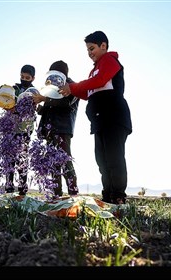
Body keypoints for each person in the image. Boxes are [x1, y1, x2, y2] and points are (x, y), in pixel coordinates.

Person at [59, 31, 132, 204]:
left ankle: (119, 196)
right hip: (99, 120)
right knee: (102, 159)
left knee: (114, 158)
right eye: (87, 50)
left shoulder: (109, 60)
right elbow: (88, 91)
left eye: (92, 48)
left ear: (103, 46)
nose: (89, 52)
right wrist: (71, 89)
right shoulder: (93, 70)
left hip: (114, 117)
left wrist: (73, 86)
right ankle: (108, 195)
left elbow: (99, 81)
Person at [33, 60, 79, 197]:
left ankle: (73, 194)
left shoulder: (72, 86)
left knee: (65, 161)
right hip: (50, 129)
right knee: (53, 164)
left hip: (62, 129)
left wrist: (44, 99)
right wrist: (38, 107)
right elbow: (49, 108)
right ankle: (56, 194)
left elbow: (65, 104)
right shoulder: (51, 87)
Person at [5, 64, 36, 195]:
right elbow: (6, 101)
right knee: (10, 159)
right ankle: (9, 188)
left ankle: (22, 189)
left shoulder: (34, 91)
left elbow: (34, 107)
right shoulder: (14, 88)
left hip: (25, 129)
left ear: (33, 78)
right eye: (22, 76)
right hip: (11, 128)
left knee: (22, 160)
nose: (24, 79)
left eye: (27, 77)